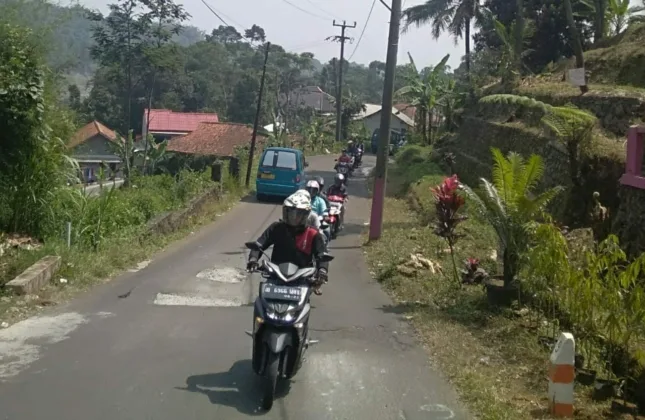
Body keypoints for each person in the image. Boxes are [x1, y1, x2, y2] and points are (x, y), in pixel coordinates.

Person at [246, 190, 328, 294]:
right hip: (276, 275)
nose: (294, 217)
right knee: (260, 302)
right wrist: (253, 259)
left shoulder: (313, 233)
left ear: (305, 215)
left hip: (302, 278)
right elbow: (259, 244)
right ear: (285, 212)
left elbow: (322, 255)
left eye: (298, 214)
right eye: (290, 212)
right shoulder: (276, 228)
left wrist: (322, 270)